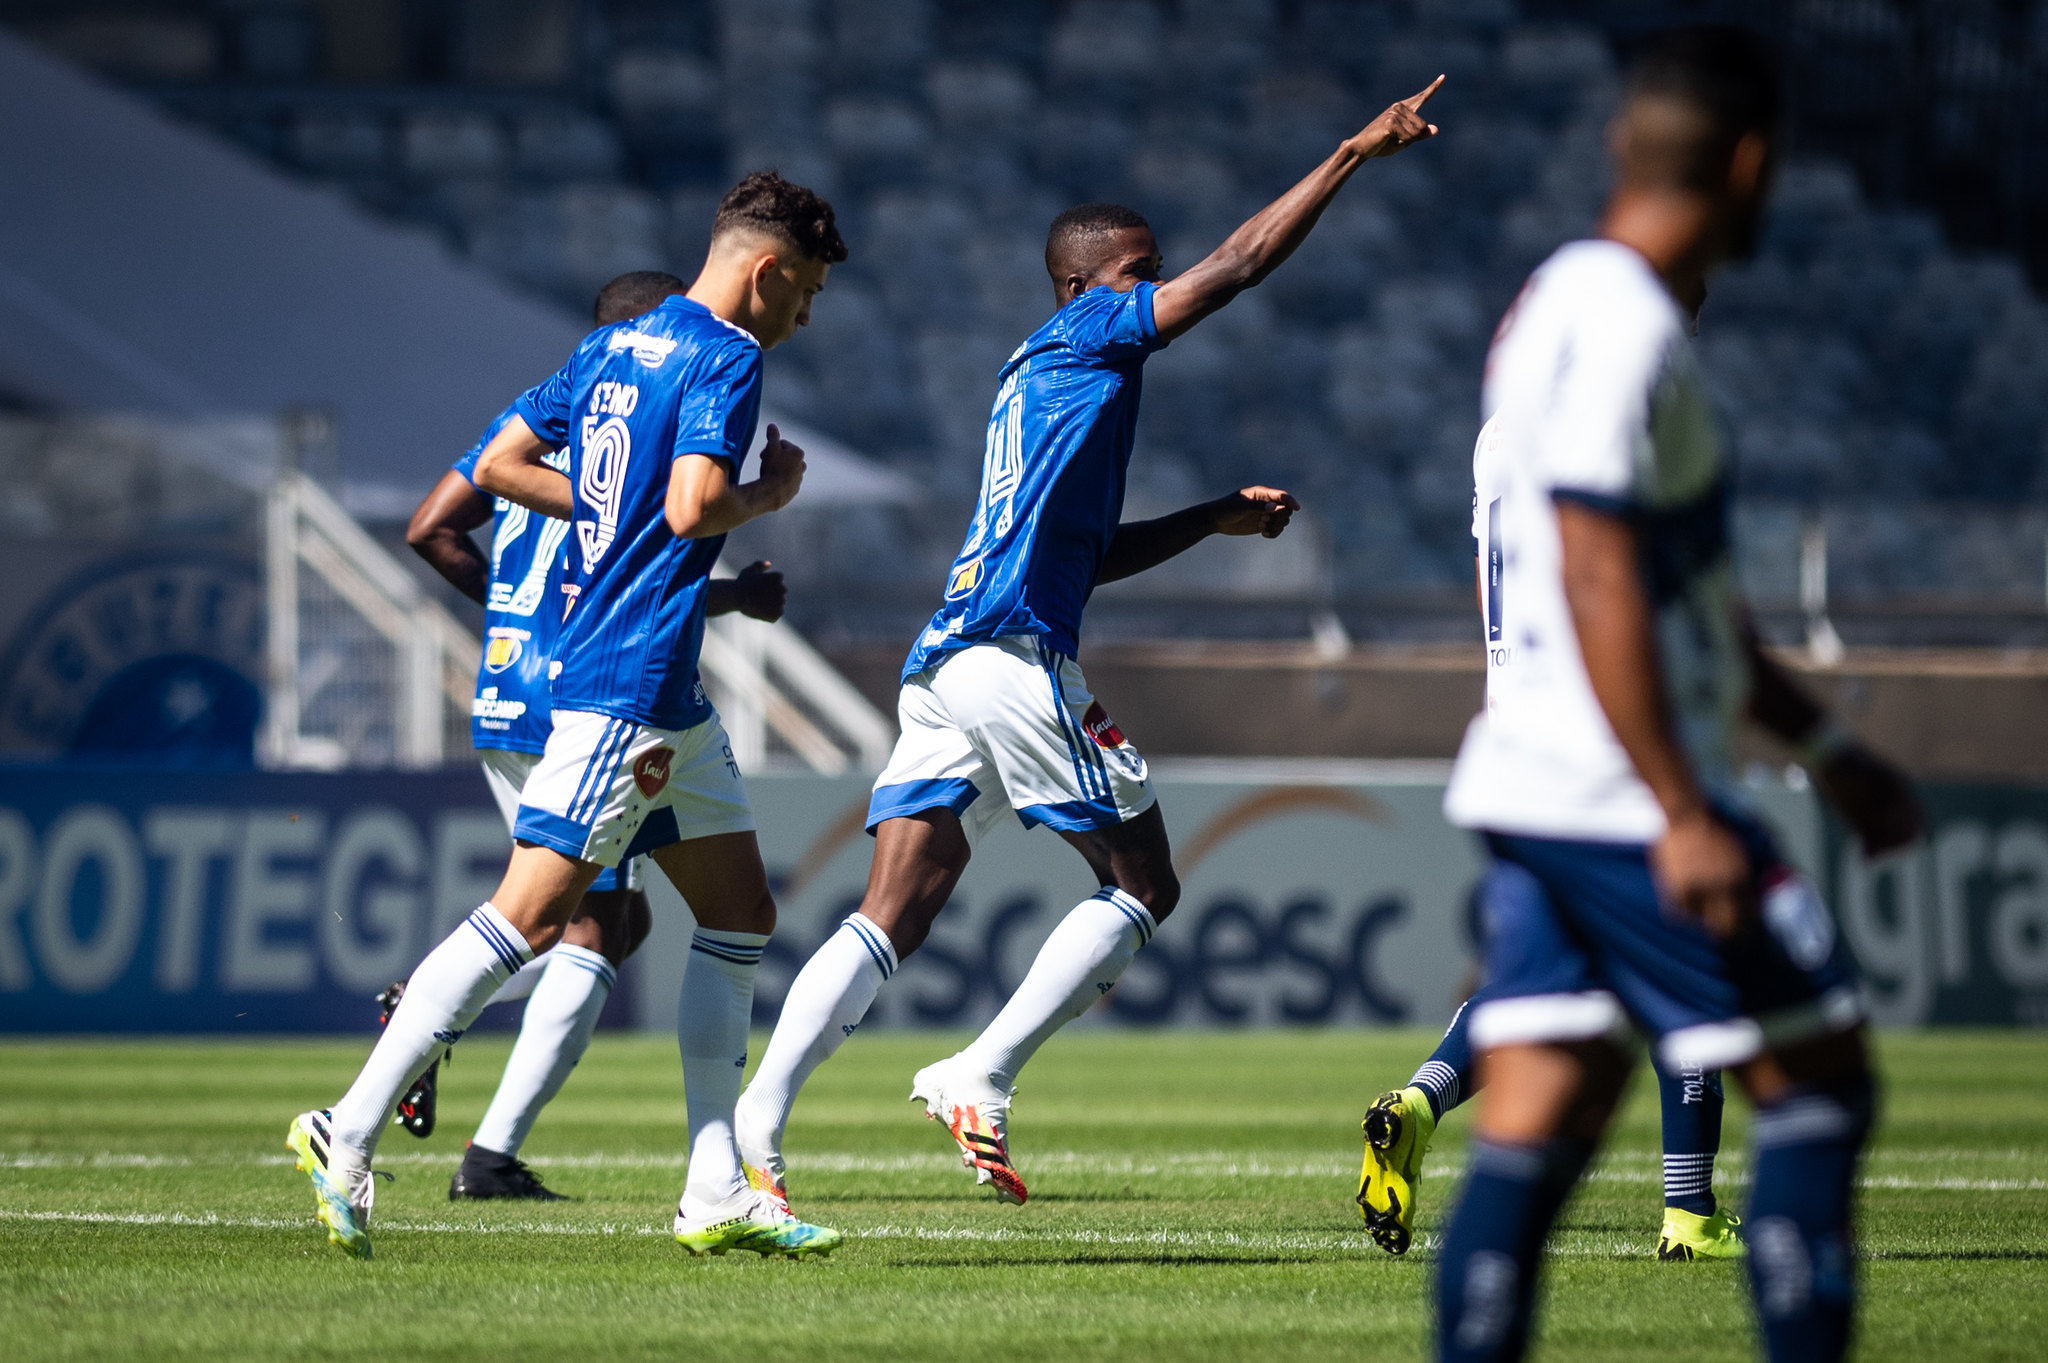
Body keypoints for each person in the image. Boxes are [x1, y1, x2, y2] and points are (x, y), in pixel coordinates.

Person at [730, 76, 1446, 1213]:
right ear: (1081, 284)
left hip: (949, 656)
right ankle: (980, 1071)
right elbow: (1242, 266)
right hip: (1011, 653)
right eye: (1137, 271)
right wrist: (1352, 151)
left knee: (897, 903)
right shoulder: (1086, 332)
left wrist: (1209, 518)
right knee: (1143, 882)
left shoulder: (1044, 377)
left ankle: (753, 1125)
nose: (1154, 287)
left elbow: (1087, 554)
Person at [1426, 29, 1921, 1362]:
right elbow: (1597, 570)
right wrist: (1679, 802)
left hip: (1549, 779)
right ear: (1753, 165)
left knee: (1546, 1101)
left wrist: (1825, 744)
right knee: (1821, 1079)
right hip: (1614, 789)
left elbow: (1686, 588)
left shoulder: (1565, 304)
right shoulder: (1623, 325)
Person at [287, 171, 845, 1260]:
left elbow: (497, 467)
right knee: (528, 919)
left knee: (740, 915)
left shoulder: (610, 348)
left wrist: (610, 498)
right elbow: (692, 508)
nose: (805, 315)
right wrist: (769, 492)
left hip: (664, 696)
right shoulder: (731, 356)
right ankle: (345, 1128)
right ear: (768, 270)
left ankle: (710, 1186)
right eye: (809, 291)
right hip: (625, 683)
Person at [395, 270, 787, 1201]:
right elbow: (642, 561)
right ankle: (467, 1122)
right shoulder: (657, 421)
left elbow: (429, 526)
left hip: (507, 695)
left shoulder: (553, 425)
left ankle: (474, 1121)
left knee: (607, 918)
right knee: (570, 921)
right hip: (589, 693)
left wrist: (504, 622)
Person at [1357, 345, 1737, 1266]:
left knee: (1548, 973)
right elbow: (1617, 583)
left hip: (1514, 745)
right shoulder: (1605, 433)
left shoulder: (1497, 440)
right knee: (1689, 966)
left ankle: (1417, 1101)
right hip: (1605, 738)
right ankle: (1688, 1213)